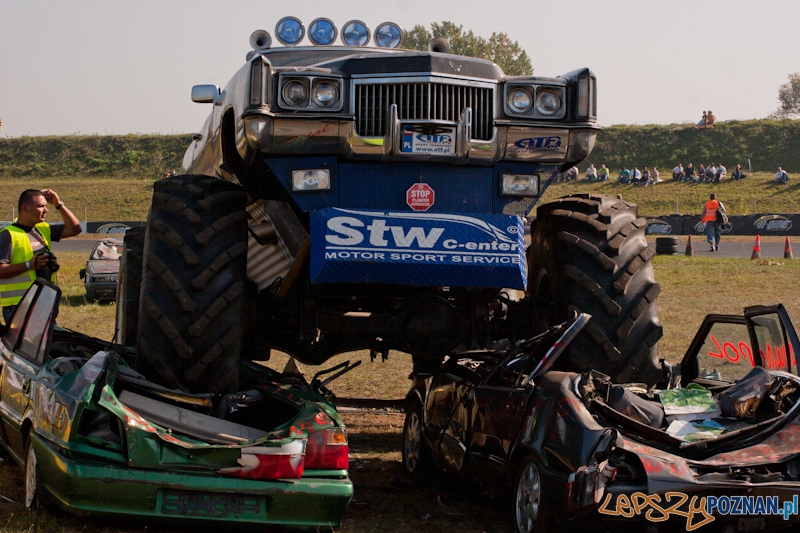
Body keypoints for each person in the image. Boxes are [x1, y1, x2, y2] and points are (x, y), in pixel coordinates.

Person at [0, 189, 81, 322]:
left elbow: (75, 229)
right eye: (41, 206)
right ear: (25, 209)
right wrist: (29, 265)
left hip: (43, 303)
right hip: (19, 307)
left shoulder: (42, 229)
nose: (46, 210)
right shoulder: (8, 235)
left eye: (46, 206)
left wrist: (58, 204)